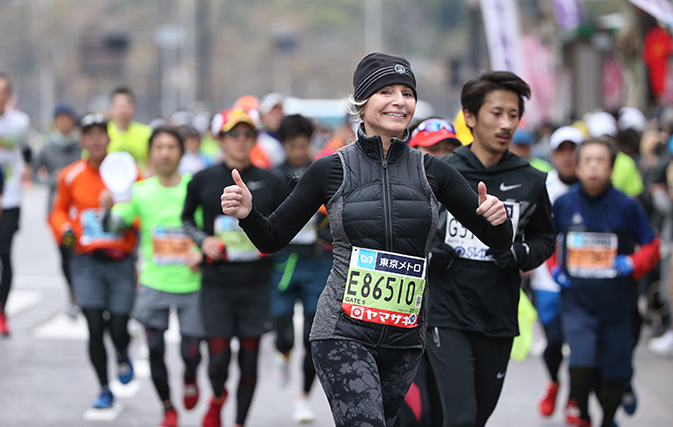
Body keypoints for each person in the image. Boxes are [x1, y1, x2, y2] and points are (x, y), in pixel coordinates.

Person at [220, 52, 513, 427]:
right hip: (342, 329)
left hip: (404, 336)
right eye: (386, 91)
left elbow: (497, 240)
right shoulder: (331, 169)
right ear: (362, 103)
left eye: (407, 92)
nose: (399, 101)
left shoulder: (435, 172)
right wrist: (248, 214)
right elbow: (272, 238)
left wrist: (498, 220)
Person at [425, 71, 555, 427]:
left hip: (497, 317)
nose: (506, 123)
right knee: (462, 419)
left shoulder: (530, 179)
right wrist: (431, 253)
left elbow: (545, 238)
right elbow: (410, 230)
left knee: (477, 418)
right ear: (470, 117)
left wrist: (518, 255)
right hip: (445, 314)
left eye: (513, 114)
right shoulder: (441, 172)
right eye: (496, 113)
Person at [181, 107, 284, 427]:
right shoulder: (203, 179)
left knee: (250, 361)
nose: (241, 141)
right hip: (217, 282)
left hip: (255, 283)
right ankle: (217, 395)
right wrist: (202, 242)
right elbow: (186, 219)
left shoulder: (271, 181)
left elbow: (283, 225)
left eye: (247, 135)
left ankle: (239, 421)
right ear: (220, 140)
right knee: (219, 361)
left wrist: (270, 243)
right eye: (233, 135)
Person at [551, 139, 660, 427]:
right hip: (577, 301)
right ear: (577, 165)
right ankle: (584, 413)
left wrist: (633, 263)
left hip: (617, 304)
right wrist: (554, 268)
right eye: (587, 160)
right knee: (581, 364)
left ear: (612, 168)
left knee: (615, 372)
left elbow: (651, 245)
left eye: (600, 160)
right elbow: (548, 241)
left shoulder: (627, 206)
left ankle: (608, 417)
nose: (593, 166)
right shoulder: (564, 203)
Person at [101, 126, 203, 427]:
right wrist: (107, 210)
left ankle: (189, 375)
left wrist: (202, 251)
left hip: (192, 283)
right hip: (154, 283)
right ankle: (168, 407)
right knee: (155, 349)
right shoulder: (140, 190)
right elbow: (114, 225)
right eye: (158, 147)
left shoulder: (193, 187)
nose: (165, 152)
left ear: (181, 153)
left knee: (191, 353)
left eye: (171, 146)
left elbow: (210, 225)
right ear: (150, 154)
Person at [49, 113, 139, 409]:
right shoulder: (70, 175)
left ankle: (123, 353)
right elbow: (59, 210)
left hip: (121, 259)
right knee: (94, 325)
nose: (96, 139)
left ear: (109, 138)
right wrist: (64, 230)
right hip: (87, 261)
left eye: (101, 133)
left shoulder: (127, 171)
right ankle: (103, 387)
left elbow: (142, 208)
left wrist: (124, 218)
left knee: (118, 325)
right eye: (90, 134)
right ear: (82, 140)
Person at [268, 114, 332, 423]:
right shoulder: (273, 176)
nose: (297, 150)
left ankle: (303, 397)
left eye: (302, 145)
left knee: (311, 336)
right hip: (283, 263)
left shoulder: (321, 172)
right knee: (285, 336)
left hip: (316, 262)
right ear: (284, 145)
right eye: (292, 145)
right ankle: (282, 353)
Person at [529, 126, 584, 420]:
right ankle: (554, 383)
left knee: (579, 343)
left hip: (585, 282)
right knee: (553, 342)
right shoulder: (543, 186)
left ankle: (574, 398)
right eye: (562, 150)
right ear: (553, 154)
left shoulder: (592, 186)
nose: (568, 157)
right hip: (546, 280)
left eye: (573, 150)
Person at [35, 103, 82, 317]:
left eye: (68, 118)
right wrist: (52, 180)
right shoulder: (46, 148)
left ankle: (80, 294)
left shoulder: (81, 147)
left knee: (78, 253)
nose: (64, 123)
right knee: (66, 253)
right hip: (57, 211)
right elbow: (35, 175)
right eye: (60, 119)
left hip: (79, 210)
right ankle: (73, 293)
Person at [0, 72, 33, 336]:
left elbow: (26, 149)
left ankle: (1, 310)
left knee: (4, 255)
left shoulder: (19, 123)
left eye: (4, 91)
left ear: (10, 95)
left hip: (10, 200)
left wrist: (28, 167)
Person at [107, 86, 153, 172]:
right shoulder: (103, 134)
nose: (122, 110)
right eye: (118, 106)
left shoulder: (146, 133)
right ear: (111, 109)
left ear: (133, 108)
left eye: (126, 105)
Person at [250, 92, 286, 169]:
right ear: (263, 117)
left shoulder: (288, 138)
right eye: (273, 113)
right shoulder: (259, 143)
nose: (278, 116)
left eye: (280, 112)